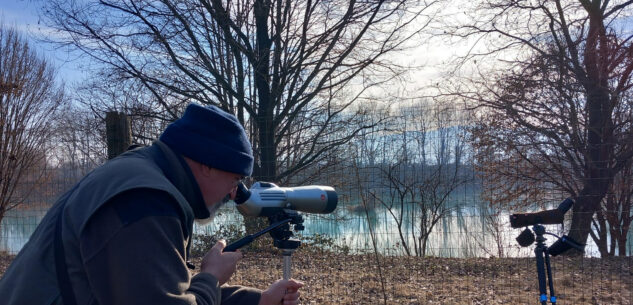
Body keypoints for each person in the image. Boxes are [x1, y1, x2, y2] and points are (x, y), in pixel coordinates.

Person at [0, 103, 304, 305]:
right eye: (235, 179)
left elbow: (161, 289)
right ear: (207, 164)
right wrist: (210, 277)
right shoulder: (145, 201)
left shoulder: (144, 178)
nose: (234, 193)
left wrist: (258, 300)